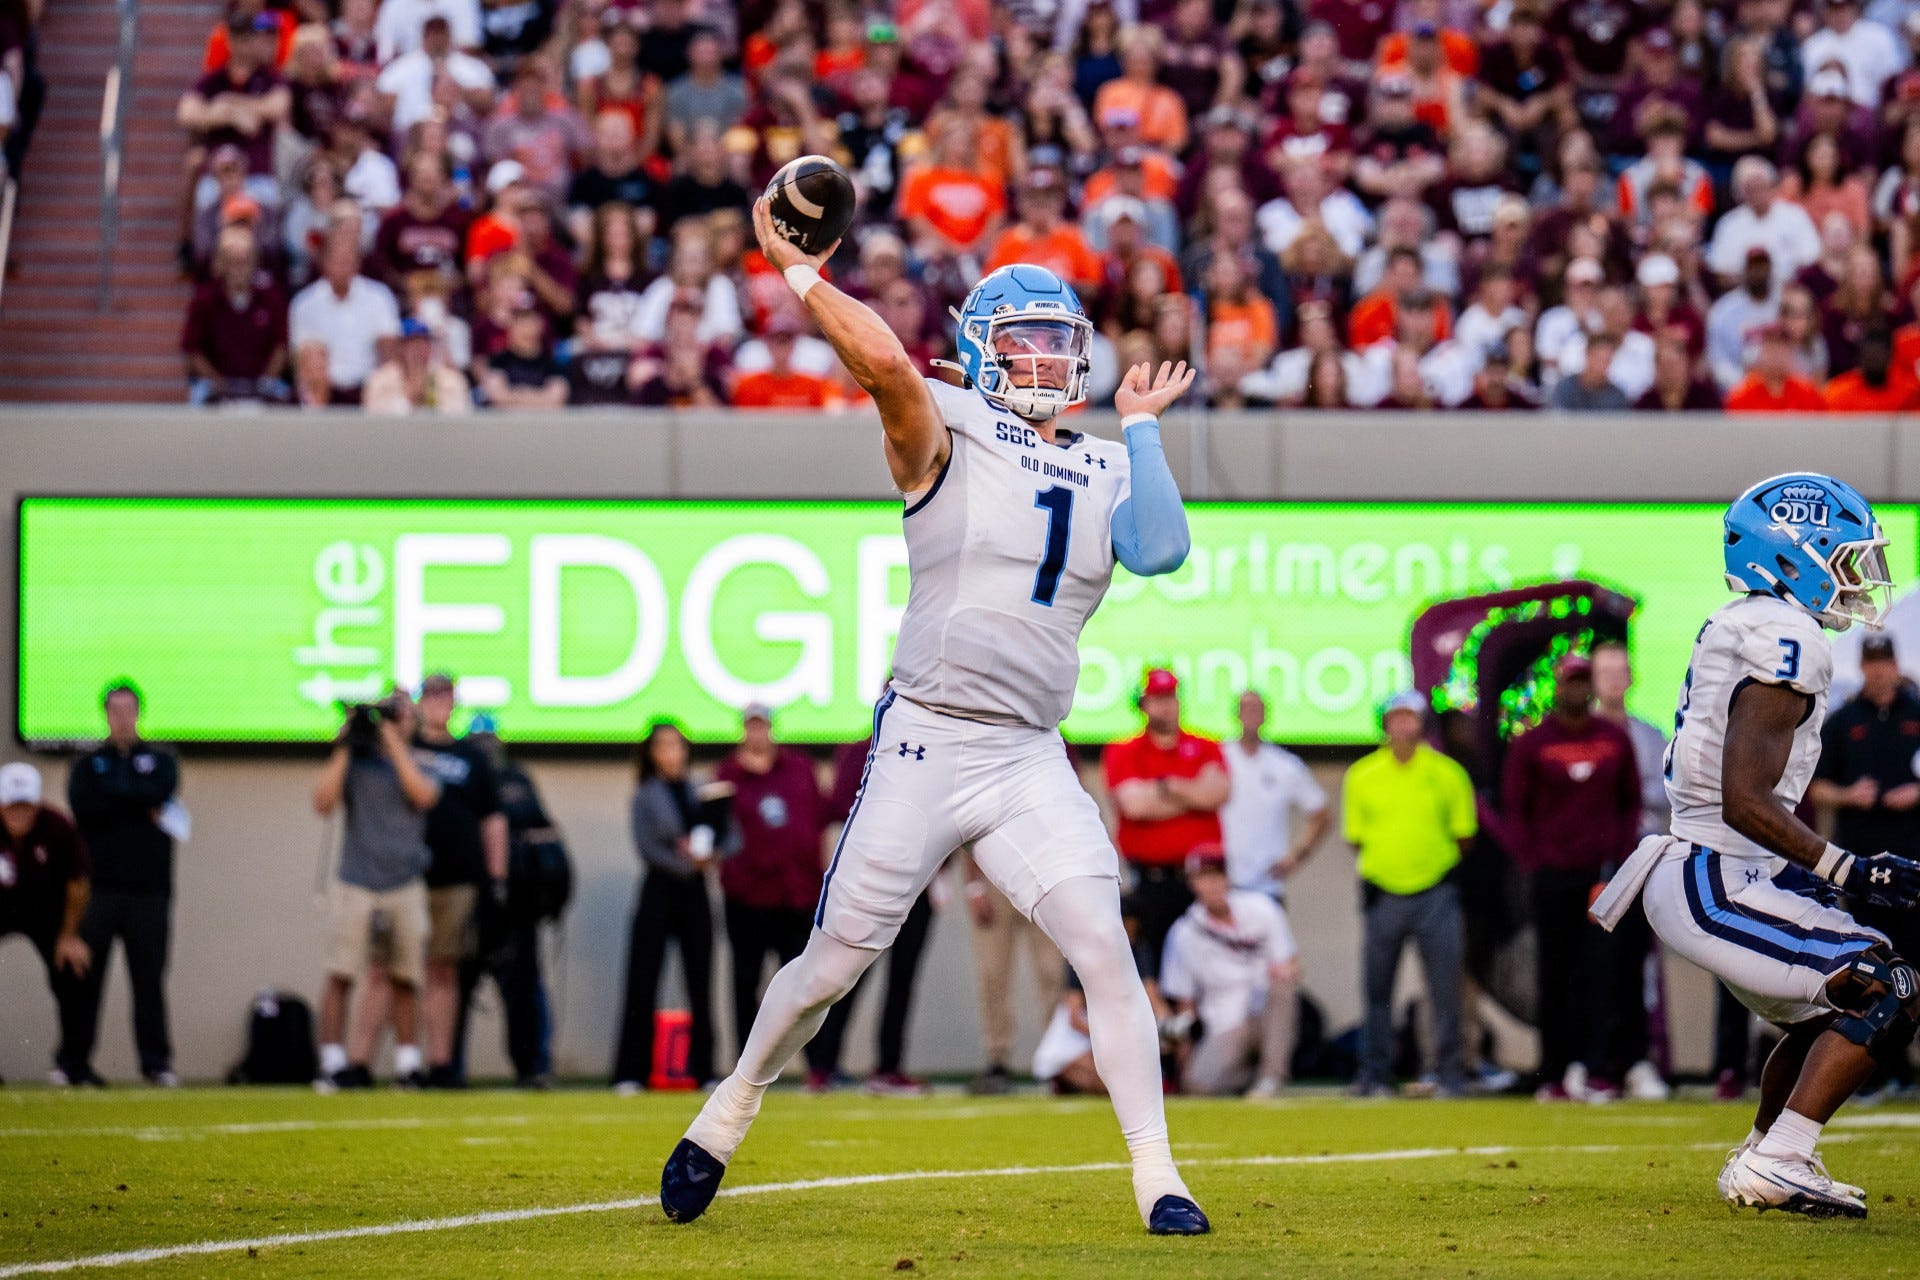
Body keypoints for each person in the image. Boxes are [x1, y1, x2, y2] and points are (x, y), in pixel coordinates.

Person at [661, 207, 1209, 1235]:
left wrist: (1142, 427)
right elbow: (882, 365)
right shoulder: (947, 422)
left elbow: (1163, 550)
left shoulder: (1108, 462)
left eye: (1058, 340)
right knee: (831, 965)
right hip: (928, 735)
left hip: (1027, 752)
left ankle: (1160, 1177)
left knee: (1104, 945)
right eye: (1025, 340)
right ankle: (730, 1105)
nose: (1046, 359)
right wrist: (800, 276)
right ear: (981, 350)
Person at [1592, 472, 1914, 1218]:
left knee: (1841, 997)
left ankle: (1768, 1152)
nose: (1858, 577)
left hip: (1726, 868)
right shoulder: (1786, 636)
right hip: (1715, 875)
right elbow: (1744, 799)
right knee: (1885, 982)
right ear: (1796, 556)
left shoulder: (1756, 621)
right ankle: (1779, 1157)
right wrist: (1847, 867)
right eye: (1846, 558)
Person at [1501, 656, 1641, 1102]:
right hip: (1552, 877)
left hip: (1599, 877)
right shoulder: (1533, 743)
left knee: (1602, 973)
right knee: (1554, 976)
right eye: (1570, 683)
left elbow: (1630, 803)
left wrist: (1617, 862)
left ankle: (1599, 1069)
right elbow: (1515, 807)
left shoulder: (1613, 739)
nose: (1577, 691)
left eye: (1584, 682)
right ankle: (1554, 1072)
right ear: (1558, 688)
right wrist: (1533, 860)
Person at [1343, 691, 1476, 1097]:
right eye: (1396, 717)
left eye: (1410, 717)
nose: (1403, 725)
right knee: (1377, 989)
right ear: (1385, 724)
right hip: (1383, 894)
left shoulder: (1448, 773)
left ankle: (1450, 1073)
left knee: (1445, 988)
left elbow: (1464, 835)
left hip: (1436, 893)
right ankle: (1376, 1074)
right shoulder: (1362, 775)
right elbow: (1355, 837)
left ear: (1422, 723)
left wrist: (1428, 865)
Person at [311, 690, 441, 1089]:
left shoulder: (422, 759)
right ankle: (333, 1061)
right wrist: (346, 745)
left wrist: (393, 744)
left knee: (405, 974)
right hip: (356, 881)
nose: (396, 720)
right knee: (341, 972)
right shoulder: (356, 763)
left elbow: (423, 796)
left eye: (402, 713)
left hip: (404, 882)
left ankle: (407, 1064)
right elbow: (323, 802)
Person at [1809, 633, 1920, 1097]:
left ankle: (1907, 1070)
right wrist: (1849, 795)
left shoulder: (1916, 713)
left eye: (1885, 662)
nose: (1879, 671)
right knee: (1871, 968)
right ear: (1862, 667)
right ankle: (1875, 1070)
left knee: (1913, 965)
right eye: (1871, 663)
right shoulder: (1843, 721)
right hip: (1863, 870)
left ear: (1895, 664)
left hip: (1913, 866)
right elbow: (1816, 786)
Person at [64, 684, 181, 1087]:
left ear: (139, 713)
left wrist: (115, 799)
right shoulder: (88, 764)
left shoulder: (161, 759)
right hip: (99, 890)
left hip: (149, 891)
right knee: (86, 978)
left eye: (128, 710)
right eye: (115, 711)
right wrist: (138, 804)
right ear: (105, 714)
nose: (122, 718)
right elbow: (85, 807)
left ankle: (156, 1063)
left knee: (149, 980)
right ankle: (74, 1062)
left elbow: (161, 790)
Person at [612, 721, 736, 1092]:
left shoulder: (703, 788)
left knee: (701, 982)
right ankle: (631, 1072)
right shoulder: (645, 794)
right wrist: (685, 860)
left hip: (696, 894)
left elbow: (732, 835)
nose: (671, 753)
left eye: (677, 745)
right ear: (652, 754)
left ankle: (705, 1070)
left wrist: (711, 854)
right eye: (663, 746)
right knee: (643, 981)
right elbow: (647, 847)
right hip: (659, 891)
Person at [1102, 668, 1230, 1004]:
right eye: (1158, 699)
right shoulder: (1125, 750)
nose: (1166, 706)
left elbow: (1217, 793)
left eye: (1171, 697)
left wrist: (1165, 787)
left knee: (1206, 977)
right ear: (1143, 704)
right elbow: (1134, 805)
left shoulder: (1205, 745)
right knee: (1151, 975)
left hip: (1201, 882)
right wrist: (1192, 792)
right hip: (1151, 883)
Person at [714, 702, 828, 1074]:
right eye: (751, 726)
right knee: (745, 982)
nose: (757, 733)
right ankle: (746, 1070)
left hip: (796, 894)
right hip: (748, 897)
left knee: (805, 987)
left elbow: (819, 820)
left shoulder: (799, 768)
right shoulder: (728, 775)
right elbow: (716, 832)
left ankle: (819, 1068)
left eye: (762, 725)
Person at [1592, 639, 1676, 1102]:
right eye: (1603, 672)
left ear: (1630, 677)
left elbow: (1667, 792)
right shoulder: (1580, 734)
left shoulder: (1649, 735)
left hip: (1639, 862)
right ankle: (1594, 1064)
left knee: (1636, 966)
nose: (1612, 681)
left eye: (1618, 671)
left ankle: (1637, 1060)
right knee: (1593, 965)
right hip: (1591, 863)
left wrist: (1624, 799)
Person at [411, 673, 505, 1087]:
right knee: (395, 971)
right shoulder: (403, 748)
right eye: (431, 695)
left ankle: (441, 1062)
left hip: (456, 876)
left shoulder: (471, 758)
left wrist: (496, 877)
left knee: (443, 969)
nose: (438, 702)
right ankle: (405, 1062)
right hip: (404, 876)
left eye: (445, 695)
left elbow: (492, 819)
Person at [1160, 853, 1300, 1098]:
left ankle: (1271, 1077)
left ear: (1228, 878)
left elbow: (1292, 964)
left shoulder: (1261, 908)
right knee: (1198, 1085)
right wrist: (1185, 1059)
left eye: (1217, 875)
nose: (1212, 884)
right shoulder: (1184, 933)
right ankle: (1247, 1078)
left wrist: (1286, 970)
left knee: (1283, 984)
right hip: (1224, 1022)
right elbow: (1186, 1004)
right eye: (1203, 878)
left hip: (1264, 1012)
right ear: (1192, 883)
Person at [0, 763, 93, 1086]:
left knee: (73, 970)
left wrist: (69, 936)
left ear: (37, 804)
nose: (19, 814)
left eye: (25, 806)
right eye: (12, 806)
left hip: (46, 910)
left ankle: (73, 1066)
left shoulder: (57, 827)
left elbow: (78, 883)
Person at [1219, 689, 1330, 905]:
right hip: (1222, 884)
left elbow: (1321, 813)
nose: (1252, 714)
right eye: (1246, 709)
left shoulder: (1284, 765)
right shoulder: (1218, 757)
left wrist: (1297, 855)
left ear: (1265, 715)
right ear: (1237, 714)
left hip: (1267, 884)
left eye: (1257, 709)